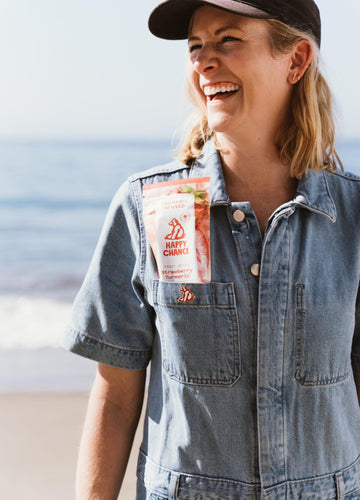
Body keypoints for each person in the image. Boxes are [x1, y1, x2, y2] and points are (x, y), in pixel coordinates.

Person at [63, 0, 360, 498]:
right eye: (196, 47)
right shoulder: (153, 206)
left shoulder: (353, 216)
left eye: (228, 40)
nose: (204, 61)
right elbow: (115, 396)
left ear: (296, 60)